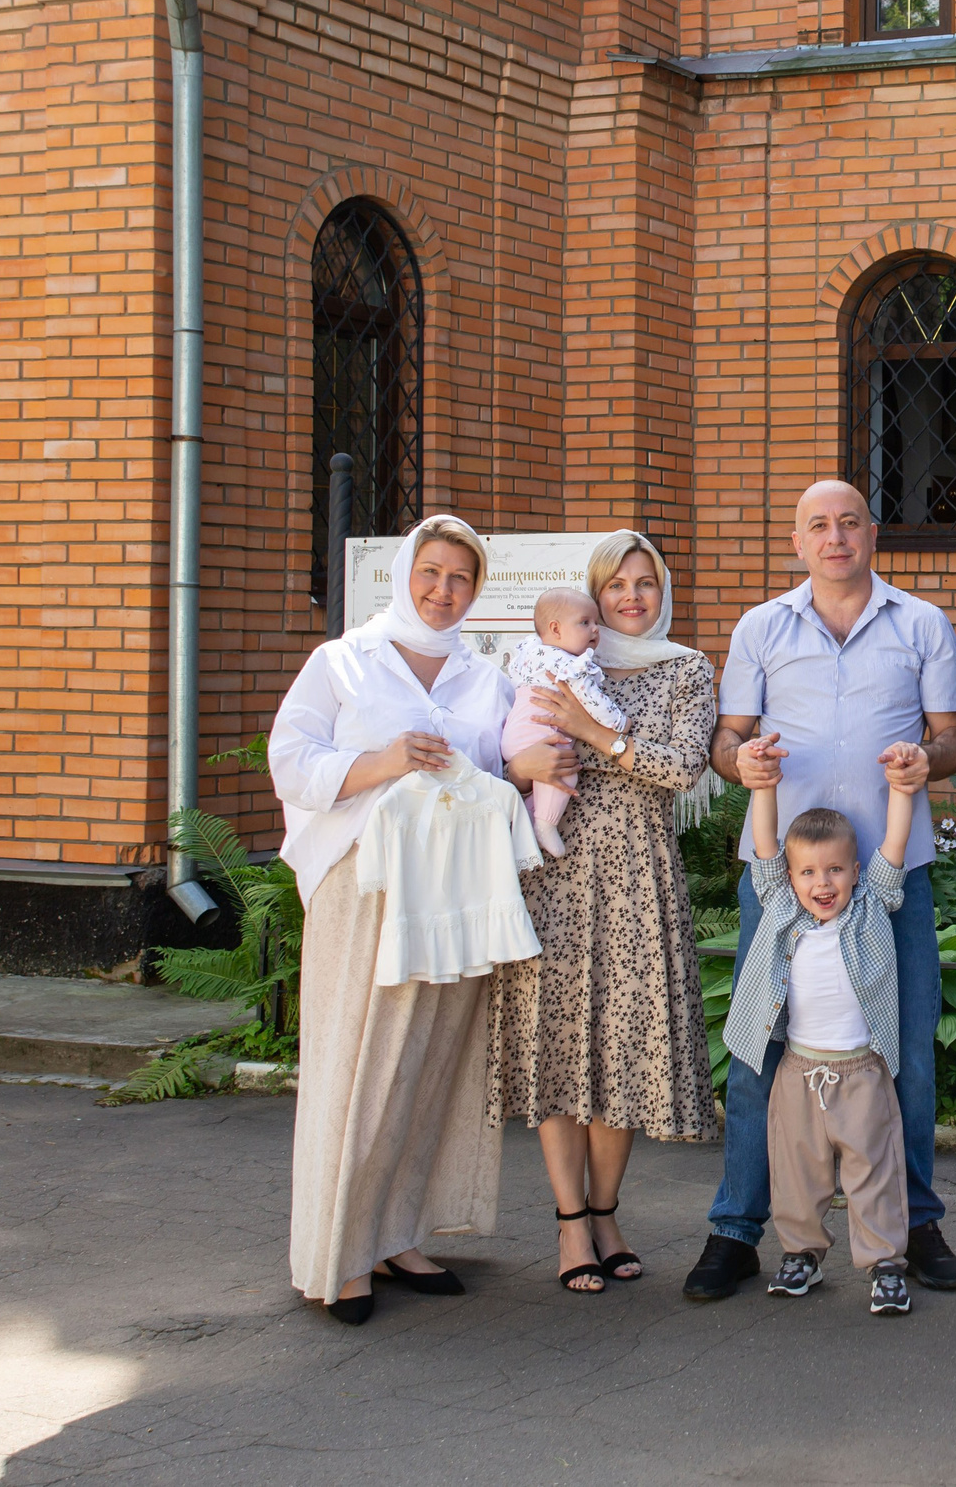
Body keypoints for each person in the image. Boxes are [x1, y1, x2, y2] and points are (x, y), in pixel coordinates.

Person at [682, 480, 956, 1300]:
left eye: (849, 522)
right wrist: (737, 761)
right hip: (781, 878)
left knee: (905, 1054)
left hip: (889, 876)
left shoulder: (920, 623)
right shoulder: (760, 627)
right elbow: (728, 735)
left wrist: (931, 760)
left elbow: (949, 734)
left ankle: (913, 1223)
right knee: (757, 1048)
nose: (835, 535)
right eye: (819, 524)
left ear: (872, 534)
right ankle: (737, 1229)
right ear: (798, 538)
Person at [270, 514, 562, 1325]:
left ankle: (398, 1233)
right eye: (430, 572)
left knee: (431, 1067)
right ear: (405, 573)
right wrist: (383, 762)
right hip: (368, 887)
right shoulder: (344, 662)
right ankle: (339, 1252)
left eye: (459, 578)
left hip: (458, 890)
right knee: (358, 1069)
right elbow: (290, 759)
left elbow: (494, 765)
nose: (442, 590)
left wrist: (520, 764)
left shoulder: (483, 675)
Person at [487, 531, 721, 1294]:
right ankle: (569, 1224)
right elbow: (493, 751)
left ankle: (607, 1211)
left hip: (637, 878)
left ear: (661, 592)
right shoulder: (539, 663)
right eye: (614, 584)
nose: (629, 597)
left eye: (644, 582)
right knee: (560, 1044)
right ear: (590, 595)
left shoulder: (686, 669)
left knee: (624, 1045)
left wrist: (594, 733)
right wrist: (522, 761)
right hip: (551, 872)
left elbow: (682, 768)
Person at [723, 743, 931, 1316]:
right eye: (809, 872)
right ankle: (801, 1254)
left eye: (835, 870)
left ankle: (885, 1263)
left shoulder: (872, 904)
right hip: (798, 1069)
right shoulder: (779, 906)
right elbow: (765, 845)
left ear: (855, 872)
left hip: (861, 1069)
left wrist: (902, 787)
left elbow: (894, 845)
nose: (823, 883)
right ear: (789, 878)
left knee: (874, 1170)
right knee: (797, 1170)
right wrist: (763, 783)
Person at [502, 585, 628, 859]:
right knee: (564, 768)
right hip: (539, 733)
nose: (595, 629)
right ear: (556, 629)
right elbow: (593, 701)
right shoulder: (569, 666)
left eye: (596, 622)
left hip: (515, 731)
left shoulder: (533, 652)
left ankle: (529, 821)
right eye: (585, 623)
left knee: (543, 778)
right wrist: (618, 722)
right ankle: (545, 824)